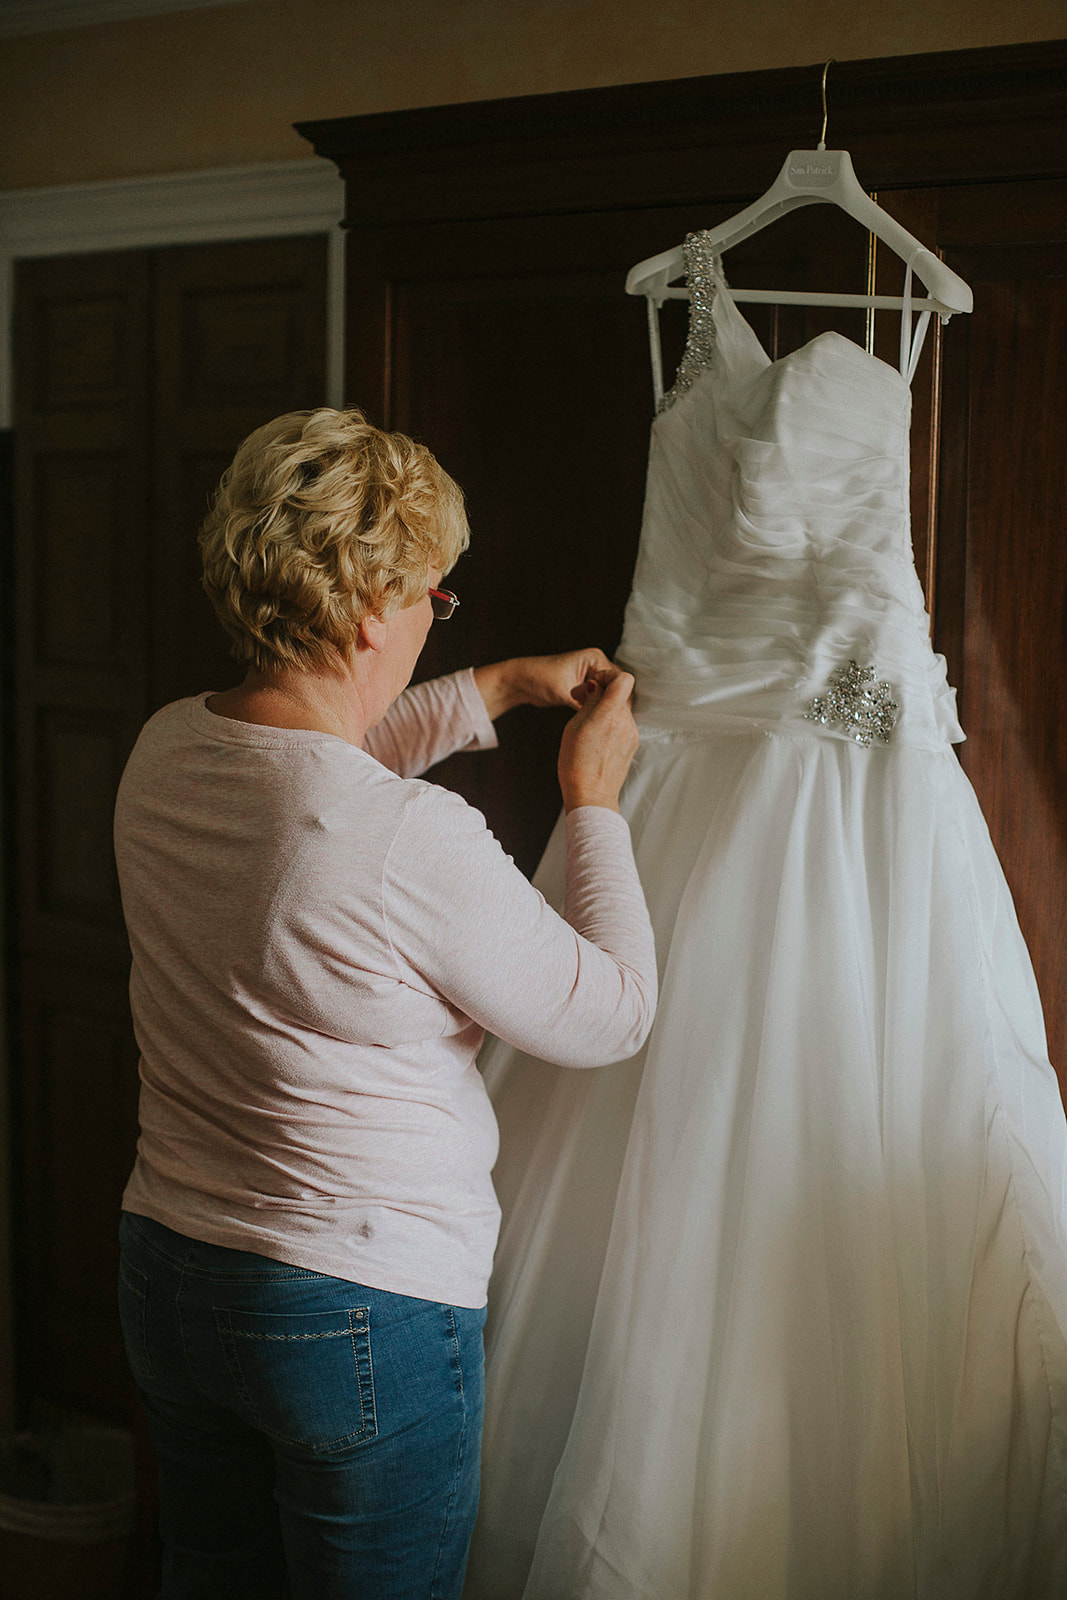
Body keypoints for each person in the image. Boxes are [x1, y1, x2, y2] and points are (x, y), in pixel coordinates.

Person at [113, 406, 657, 1600]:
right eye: (431, 595)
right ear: (371, 611)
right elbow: (609, 1014)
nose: (429, 617)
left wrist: (497, 687)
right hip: (352, 1305)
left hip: (168, 1268)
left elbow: (327, 762)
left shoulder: (164, 752)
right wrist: (592, 801)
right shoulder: (405, 836)